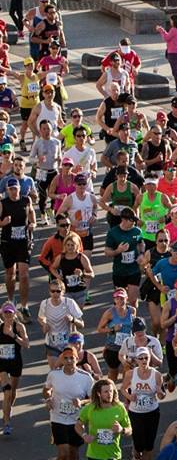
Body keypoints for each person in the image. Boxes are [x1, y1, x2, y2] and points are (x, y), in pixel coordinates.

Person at [44, 344, 94, 460]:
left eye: (72, 358)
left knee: (73, 454)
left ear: (77, 359)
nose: (69, 361)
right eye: (65, 358)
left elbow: (93, 400)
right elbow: (46, 390)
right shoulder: (54, 375)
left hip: (76, 420)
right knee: (63, 454)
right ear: (61, 360)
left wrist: (81, 402)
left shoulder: (86, 377)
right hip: (58, 418)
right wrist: (48, 399)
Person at [124, 346, 167, 460]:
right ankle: (136, 455)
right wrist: (129, 396)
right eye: (141, 358)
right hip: (135, 412)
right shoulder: (130, 374)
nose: (144, 360)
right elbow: (122, 389)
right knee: (138, 445)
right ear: (136, 360)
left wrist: (160, 392)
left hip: (152, 412)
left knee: (149, 445)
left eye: (146, 358)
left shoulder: (156, 375)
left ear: (149, 359)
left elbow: (162, 395)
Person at [1, 173, 34, 317]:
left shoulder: (26, 200)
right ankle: (10, 299)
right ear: (7, 190)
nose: (14, 191)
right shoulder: (3, 203)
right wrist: (2, 223)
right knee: (10, 273)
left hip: (23, 241)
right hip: (8, 242)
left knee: (24, 275)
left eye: (15, 188)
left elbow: (32, 217)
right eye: (11, 189)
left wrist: (33, 223)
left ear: (20, 188)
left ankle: (24, 305)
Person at [76, 376, 132, 460]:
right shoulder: (90, 408)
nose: (109, 394)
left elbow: (129, 429)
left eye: (111, 391)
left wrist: (121, 430)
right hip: (94, 456)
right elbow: (78, 425)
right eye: (106, 392)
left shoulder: (119, 408)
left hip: (113, 455)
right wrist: (84, 435)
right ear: (99, 393)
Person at [0, 300, 27, 434]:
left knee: (13, 392)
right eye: (6, 313)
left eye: (10, 313)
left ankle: (7, 412)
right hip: (2, 364)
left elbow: (26, 344)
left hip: (16, 362)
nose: (8, 315)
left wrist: (13, 335)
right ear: (2, 314)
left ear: (14, 314)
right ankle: (6, 422)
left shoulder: (19, 327)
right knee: (7, 390)